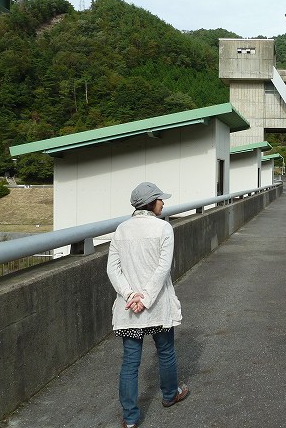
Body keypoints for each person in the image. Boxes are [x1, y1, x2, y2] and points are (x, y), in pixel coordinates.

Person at [106, 181, 189, 428]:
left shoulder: (121, 230)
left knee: (131, 361)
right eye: (160, 199)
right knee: (165, 352)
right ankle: (170, 394)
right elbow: (163, 268)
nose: (163, 202)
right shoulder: (164, 228)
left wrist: (130, 296)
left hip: (129, 310)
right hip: (157, 308)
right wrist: (147, 298)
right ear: (151, 203)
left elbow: (113, 269)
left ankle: (130, 419)